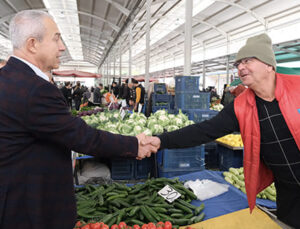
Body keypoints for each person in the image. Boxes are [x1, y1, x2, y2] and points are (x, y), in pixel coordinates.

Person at [0, 10, 157, 229]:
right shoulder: (34, 89)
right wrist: (134, 145)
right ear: (33, 44)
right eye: (56, 38)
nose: (62, 46)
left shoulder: (9, 78)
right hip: (31, 210)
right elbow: (83, 137)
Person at [146, 33, 300, 228]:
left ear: (269, 65)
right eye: (238, 64)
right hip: (289, 192)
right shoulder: (241, 106)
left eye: (247, 61)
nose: (240, 67)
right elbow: (204, 131)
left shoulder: (298, 88)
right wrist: (160, 141)